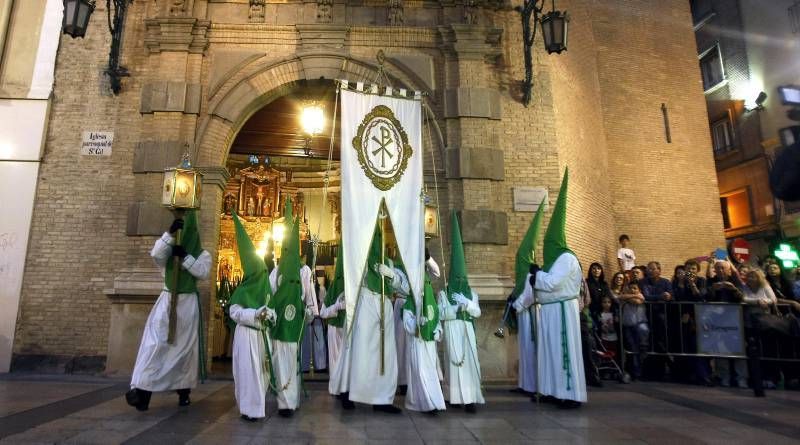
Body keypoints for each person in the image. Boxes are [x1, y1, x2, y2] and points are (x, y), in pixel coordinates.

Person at [126, 211, 211, 411]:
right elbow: (156, 255)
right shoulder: (169, 247)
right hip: (167, 301)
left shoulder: (203, 254)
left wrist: (186, 257)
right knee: (155, 344)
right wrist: (169, 235)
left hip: (187, 305)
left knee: (183, 349)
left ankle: (183, 391)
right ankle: (142, 390)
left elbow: (203, 271)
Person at [525, 169, 586, 408]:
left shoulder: (566, 258)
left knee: (562, 352)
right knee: (549, 353)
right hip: (550, 309)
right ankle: (550, 389)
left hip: (561, 310)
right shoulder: (555, 260)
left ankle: (569, 394)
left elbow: (552, 282)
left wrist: (536, 274)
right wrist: (537, 275)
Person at [332, 223, 408, 413]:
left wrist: (391, 275)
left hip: (385, 306)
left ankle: (382, 399)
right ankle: (348, 391)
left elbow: (406, 289)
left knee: (386, 353)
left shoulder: (389, 263)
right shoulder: (360, 259)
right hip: (365, 303)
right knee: (360, 350)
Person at [228, 213, 277, 421]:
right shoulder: (242, 291)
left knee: (262, 373)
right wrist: (255, 313)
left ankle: (256, 406)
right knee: (248, 374)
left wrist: (271, 315)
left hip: (262, 336)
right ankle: (250, 409)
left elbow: (271, 309)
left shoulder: (266, 289)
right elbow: (235, 312)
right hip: (247, 336)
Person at [267, 199, 310, 418]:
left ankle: (289, 402)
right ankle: (283, 399)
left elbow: (308, 297)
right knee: (278, 360)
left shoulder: (304, 272)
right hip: (279, 323)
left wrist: (309, 311)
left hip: (294, 323)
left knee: (292, 359)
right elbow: (270, 295)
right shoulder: (276, 272)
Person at [440, 211, 484, 413]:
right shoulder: (443, 293)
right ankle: (455, 397)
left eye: (462, 279)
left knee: (469, 364)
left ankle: (471, 398)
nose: (460, 282)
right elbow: (442, 314)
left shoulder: (471, 293)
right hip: (452, 329)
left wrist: (467, 304)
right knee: (454, 365)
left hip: (467, 330)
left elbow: (477, 313)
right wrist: (454, 308)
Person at [403, 248, 445, 413]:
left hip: (429, 338)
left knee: (430, 371)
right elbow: (407, 321)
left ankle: (435, 401)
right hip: (417, 339)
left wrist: (427, 257)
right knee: (419, 369)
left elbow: (437, 272)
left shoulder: (428, 279)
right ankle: (424, 402)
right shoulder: (409, 299)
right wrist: (416, 323)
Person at [511, 203, 545, 395]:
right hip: (524, 316)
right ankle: (525, 384)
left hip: (531, 314)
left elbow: (528, 297)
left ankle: (533, 386)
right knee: (524, 350)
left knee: (531, 350)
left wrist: (516, 304)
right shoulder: (523, 276)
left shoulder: (531, 276)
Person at [321, 247, 346, 396]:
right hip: (334, 329)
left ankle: (346, 388)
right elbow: (323, 313)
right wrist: (337, 306)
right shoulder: (331, 291)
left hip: (348, 328)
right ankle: (337, 388)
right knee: (335, 360)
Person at [299, 242, 326, 374]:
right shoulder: (305, 270)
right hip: (306, 311)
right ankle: (309, 366)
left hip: (302, 310)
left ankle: (305, 365)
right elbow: (308, 292)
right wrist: (313, 310)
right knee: (307, 341)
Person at [620, 281, 648, 380]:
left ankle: (639, 371)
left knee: (640, 348)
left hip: (640, 325)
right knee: (631, 349)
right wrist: (630, 296)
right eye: (630, 288)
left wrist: (628, 297)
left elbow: (638, 301)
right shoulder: (627, 296)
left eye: (635, 288)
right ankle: (634, 372)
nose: (632, 290)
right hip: (628, 326)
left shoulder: (640, 295)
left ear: (639, 290)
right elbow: (620, 297)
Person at [392, 252, 411, 396]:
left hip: (414, 306)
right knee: (401, 344)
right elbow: (403, 288)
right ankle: (402, 381)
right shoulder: (396, 269)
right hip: (402, 304)